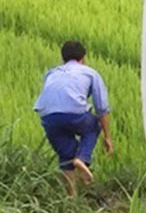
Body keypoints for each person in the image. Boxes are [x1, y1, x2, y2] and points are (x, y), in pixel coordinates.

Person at [33, 40, 114, 196]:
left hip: (48, 117)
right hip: (74, 113)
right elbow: (101, 108)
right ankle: (82, 159)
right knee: (93, 126)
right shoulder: (90, 73)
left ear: (63, 58)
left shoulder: (51, 73)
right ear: (83, 58)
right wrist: (107, 137)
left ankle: (71, 196)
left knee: (66, 154)